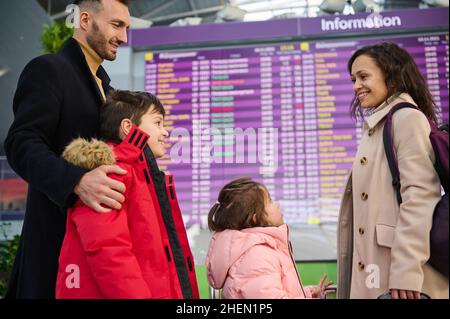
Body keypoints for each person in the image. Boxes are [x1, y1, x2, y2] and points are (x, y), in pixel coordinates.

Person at [4, 0, 130, 298]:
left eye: (126, 27)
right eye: (116, 25)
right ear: (85, 20)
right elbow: (21, 142)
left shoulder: (109, 92)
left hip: (102, 253)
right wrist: (76, 180)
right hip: (56, 252)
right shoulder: (48, 69)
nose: (124, 38)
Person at [55, 90, 199, 298]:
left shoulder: (142, 176)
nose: (165, 132)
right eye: (158, 123)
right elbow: (110, 253)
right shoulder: (112, 174)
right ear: (128, 128)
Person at [337, 42, 449, 299]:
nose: (356, 86)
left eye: (364, 76)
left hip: (398, 276)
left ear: (392, 76)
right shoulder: (380, 124)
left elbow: (419, 197)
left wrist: (407, 271)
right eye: (353, 79)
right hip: (380, 267)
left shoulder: (406, 119)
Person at [206, 177, 334, 299]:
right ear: (255, 217)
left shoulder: (259, 250)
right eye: (270, 200)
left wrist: (309, 294)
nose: (277, 204)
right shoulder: (257, 255)